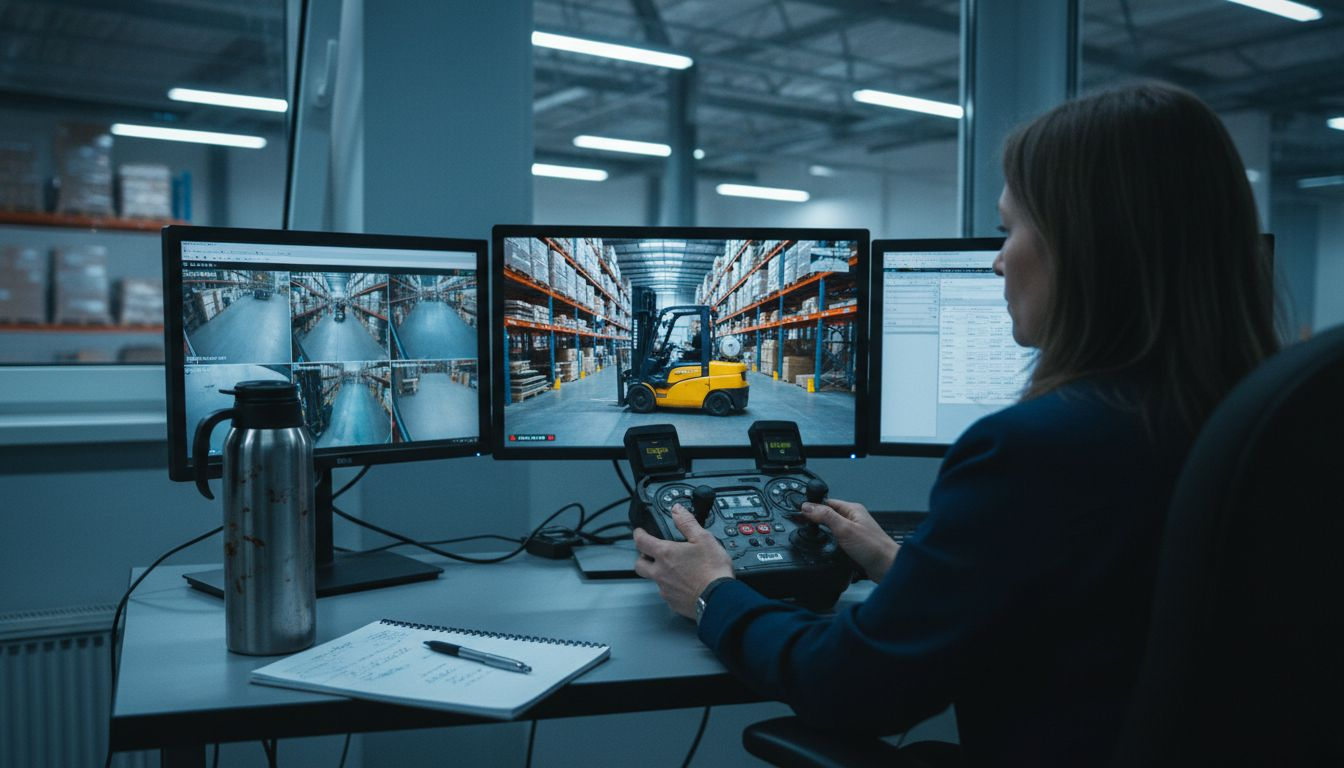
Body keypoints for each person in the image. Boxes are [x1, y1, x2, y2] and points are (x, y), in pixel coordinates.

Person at [632, 82, 1279, 767]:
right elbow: (1106, 617)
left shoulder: (1037, 450)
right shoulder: (1260, 426)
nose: (999, 260)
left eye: (1010, 229)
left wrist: (713, 593)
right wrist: (902, 568)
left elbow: (854, 687)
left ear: (1086, 245)